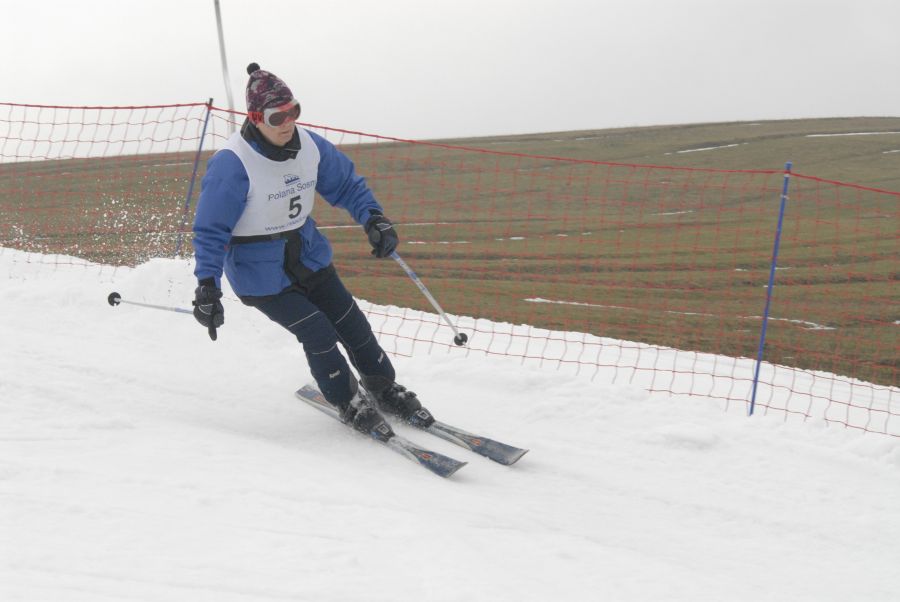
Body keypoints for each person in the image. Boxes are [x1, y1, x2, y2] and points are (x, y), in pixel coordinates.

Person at [191, 62, 425, 434]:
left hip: (308, 255)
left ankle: (383, 387)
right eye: (277, 115)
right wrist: (207, 285)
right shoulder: (233, 165)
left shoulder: (311, 147)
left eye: (294, 110)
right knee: (317, 331)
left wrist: (374, 219)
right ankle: (347, 401)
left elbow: (346, 185)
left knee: (350, 320)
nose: (288, 121)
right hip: (260, 276)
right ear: (255, 117)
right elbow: (210, 230)